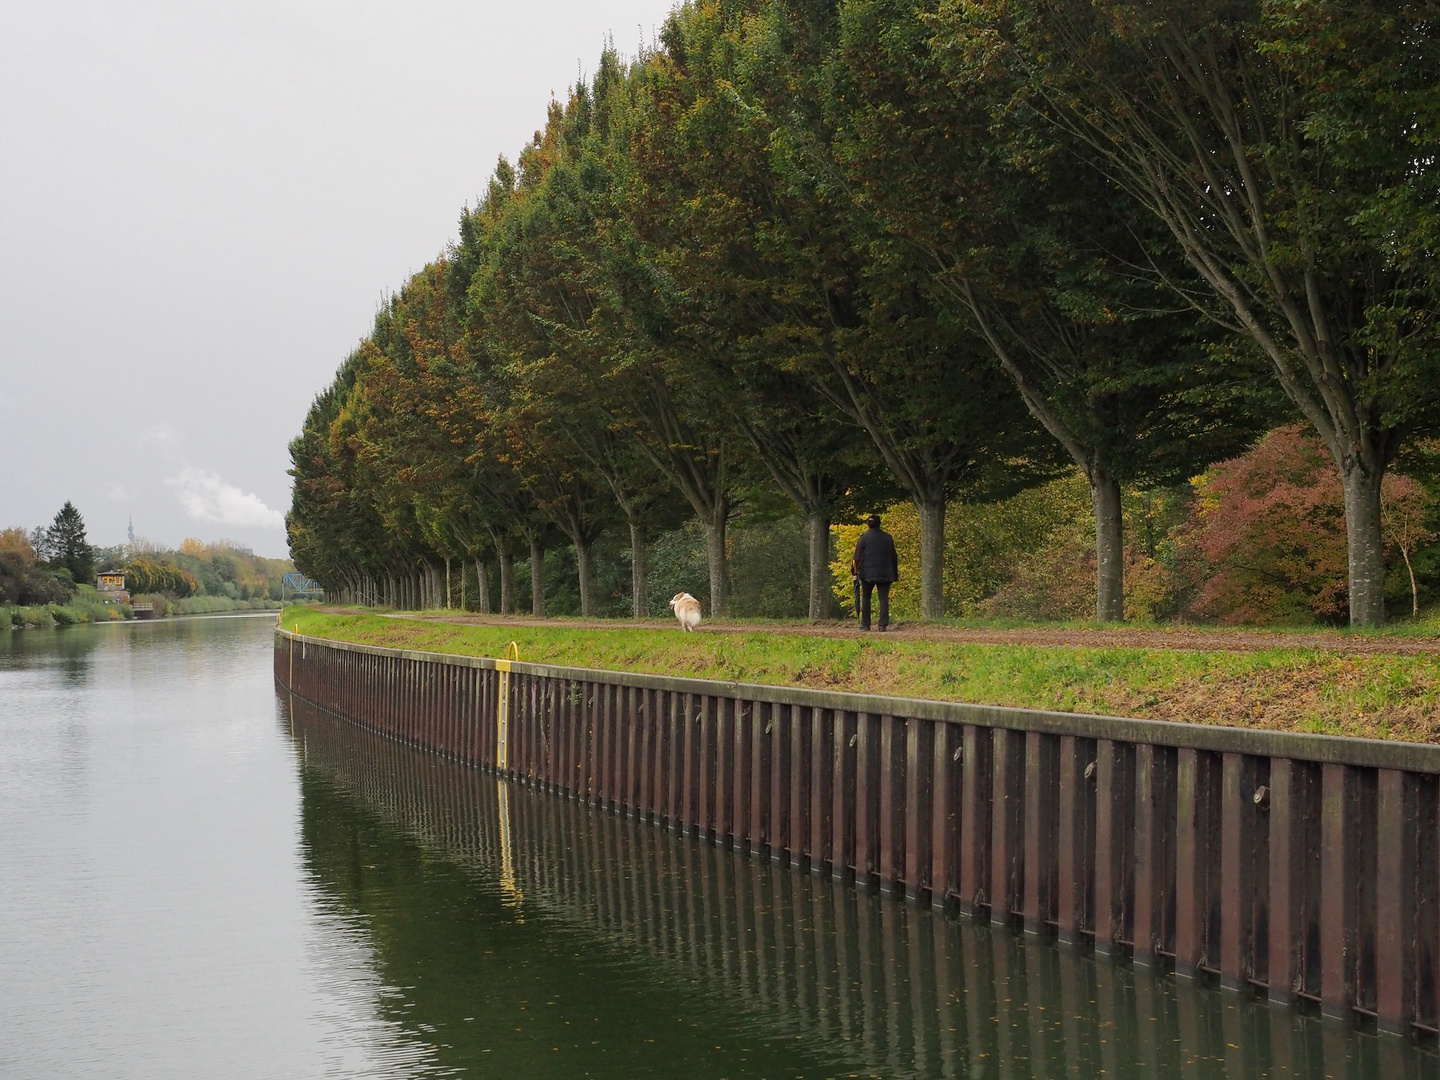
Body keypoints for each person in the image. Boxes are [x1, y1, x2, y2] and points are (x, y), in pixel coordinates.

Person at [851, 514, 898, 631]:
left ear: (868, 524)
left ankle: (865, 624)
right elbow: (894, 556)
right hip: (885, 572)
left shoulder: (864, 538)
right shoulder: (888, 538)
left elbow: (856, 557)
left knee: (866, 597)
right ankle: (882, 625)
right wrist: (894, 573)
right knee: (883, 598)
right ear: (879, 523)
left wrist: (854, 572)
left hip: (867, 573)